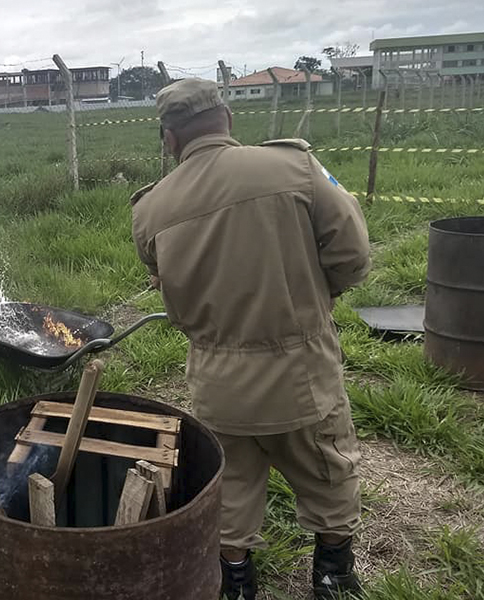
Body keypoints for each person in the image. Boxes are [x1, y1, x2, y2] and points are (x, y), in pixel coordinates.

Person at [130, 79, 371, 600]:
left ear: (169, 139)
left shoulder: (150, 209)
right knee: (329, 468)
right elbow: (352, 256)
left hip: (218, 383)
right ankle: (333, 573)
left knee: (231, 484)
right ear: (228, 119)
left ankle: (236, 581)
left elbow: (167, 282)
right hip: (303, 372)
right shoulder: (294, 167)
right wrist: (313, 294)